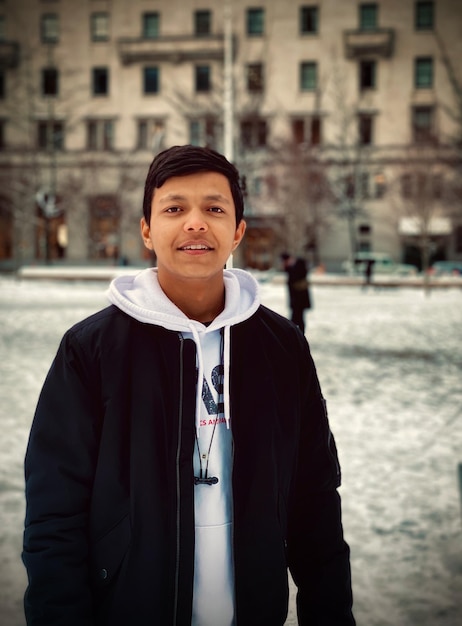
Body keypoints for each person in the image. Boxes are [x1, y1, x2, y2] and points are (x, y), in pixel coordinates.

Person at [22, 145, 355, 626]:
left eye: (215, 209)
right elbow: (55, 514)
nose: (195, 223)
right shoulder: (90, 350)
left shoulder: (283, 349)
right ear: (146, 230)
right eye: (174, 208)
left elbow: (315, 501)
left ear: (238, 231)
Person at [280, 252, 312, 334]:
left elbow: (301, 274)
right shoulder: (290, 268)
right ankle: (297, 334)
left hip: (301, 299)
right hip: (295, 299)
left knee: (298, 318)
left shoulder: (300, 263)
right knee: (295, 318)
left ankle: (299, 334)